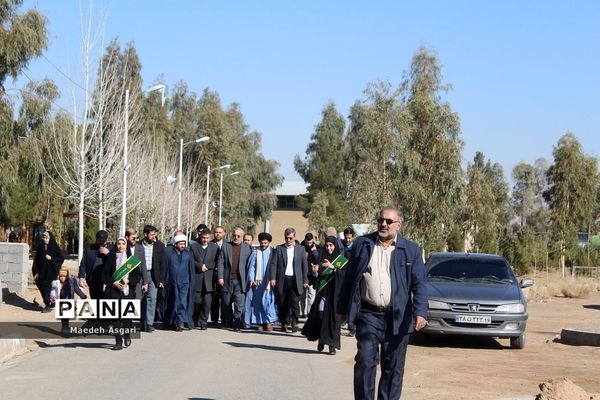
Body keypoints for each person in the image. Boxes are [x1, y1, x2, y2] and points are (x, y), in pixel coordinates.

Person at [337, 207, 428, 400]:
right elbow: (349, 279)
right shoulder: (363, 244)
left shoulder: (410, 250)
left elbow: (419, 284)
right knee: (364, 362)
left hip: (398, 317)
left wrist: (420, 312)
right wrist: (342, 308)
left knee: (393, 369)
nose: (383, 224)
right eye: (380, 220)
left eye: (388, 221)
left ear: (398, 225)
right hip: (368, 315)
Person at [302, 236, 343, 355]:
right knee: (320, 316)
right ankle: (321, 339)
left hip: (335, 295)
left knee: (333, 320)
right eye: (327, 245)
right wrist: (315, 272)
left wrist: (333, 268)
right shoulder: (321, 258)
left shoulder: (341, 260)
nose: (329, 248)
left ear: (335, 246)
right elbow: (316, 277)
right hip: (323, 293)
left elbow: (343, 277)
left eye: (331, 245)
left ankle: (332, 345)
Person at [102, 237, 143, 350]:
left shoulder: (131, 260)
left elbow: (137, 275)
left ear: (126, 246)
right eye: (118, 244)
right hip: (114, 291)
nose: (120, 246)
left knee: (127, 317)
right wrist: (113, 282)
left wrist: (129, 281)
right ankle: (118, 342)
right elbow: (104, 275)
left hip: (127, 291)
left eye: (123, 244)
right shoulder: (111, 258)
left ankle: (126, 335)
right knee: (116, 317)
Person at [269, 227, 309, 333]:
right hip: (283, 279)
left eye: (290, 238)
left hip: (296, 280)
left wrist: (305, 280)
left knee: (295, 302)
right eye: (286, 238)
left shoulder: (301, 249)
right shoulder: (279, 248)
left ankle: (294, 323)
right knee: (283, 303)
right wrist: (273, 278)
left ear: (294, 237)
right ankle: (284, 323)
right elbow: (274, 264)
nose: (288, 240)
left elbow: (305, 266)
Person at [217, 227, 253, 331]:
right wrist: (220, 277)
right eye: (234, 235)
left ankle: (237, 323)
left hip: (240, 280)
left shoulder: (247, 248)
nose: (236, 237)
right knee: (226, 303)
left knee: (239, 304)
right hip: (227, 280)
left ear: (242, 237)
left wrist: (251, 278)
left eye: (238, 236)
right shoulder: (226, 246)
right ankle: (229, 319)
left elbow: (251, 265)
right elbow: (221, 262)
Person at [163, 232, 196, 331]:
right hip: (172, 283)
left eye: (184, 244)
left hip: (184, 283)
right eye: (180, 244)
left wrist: (191, 282)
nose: (182, 246)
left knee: (182, 302)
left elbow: (191, 269)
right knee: (173, 302)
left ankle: (180, 322)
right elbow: (165, 268)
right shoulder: (169, 253)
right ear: (175, 244)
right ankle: (172, 321)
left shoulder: (188, 254)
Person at [244, 232, 277, 331]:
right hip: (258, 283)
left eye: (265, 243)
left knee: (268, 302)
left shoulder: (273, 252)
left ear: (269, 243)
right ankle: (260, 322)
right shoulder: (255, 252)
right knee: (258, 302)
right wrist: (251, 278)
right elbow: (252, 267)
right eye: (262, 243)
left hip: (268, 282)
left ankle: (269, 322)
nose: (263, 245)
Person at [189, 229, 219, 330]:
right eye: (203, 238)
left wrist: (207, 266)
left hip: (209, 280)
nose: (205, 240)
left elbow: (217, 262)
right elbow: (190, 260)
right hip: (197, 278)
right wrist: (199, 266)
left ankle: (204, 321)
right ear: (200, 236)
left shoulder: (215, 248)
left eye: (207, 238)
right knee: (196, 302)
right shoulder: (193, 246)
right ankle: (195, 319)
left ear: (210, 238)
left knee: (207, 303)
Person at [140, 225, 166, 332]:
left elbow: (162, 264)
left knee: (152, 299)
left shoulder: (159, 246)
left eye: (154, 234)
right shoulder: (138, 245)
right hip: (141, 275)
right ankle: (142, 322)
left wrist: (161, 280)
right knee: (141, 299)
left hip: (154, 276)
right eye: (151, 234)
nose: (153, 236)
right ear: (145, 234)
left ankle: (150, 323)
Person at [32, 231, 64, 312]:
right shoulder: (40, 247)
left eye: (47, 238)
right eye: (44, 238)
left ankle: (48, 305)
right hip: (42, 272)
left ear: (50, 238)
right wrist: (36, 272)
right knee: (42, 286)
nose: (45, 240)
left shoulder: (55, 247)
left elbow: (61, 259)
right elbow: (36, 261)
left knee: (49, 289)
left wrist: (51, 258)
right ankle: (51, 302)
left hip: (51, 273)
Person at [52, 266, 87, 334]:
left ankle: (83, 316)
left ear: (67, 276)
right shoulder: (57, 283)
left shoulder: (72, 281)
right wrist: (52, 298)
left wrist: (82, 296)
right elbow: (52, 292)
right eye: (61, 276)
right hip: (61, 302)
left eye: (64, 276)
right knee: (64, 316)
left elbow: (77, 289)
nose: (62, 278)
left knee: (73, 309)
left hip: (69, 300)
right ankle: (65, 327)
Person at [78, 230, 112, 300]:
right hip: (93, 281)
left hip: (107, 281)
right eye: (99, 241)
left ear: (107, 240)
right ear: (96, 239)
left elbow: (117, 262)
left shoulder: (112, 248)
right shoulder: (89, 249)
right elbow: (83, 263)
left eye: (103, 241)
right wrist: (81, 277)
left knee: (106, 303)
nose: (101, 243)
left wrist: (108, 254)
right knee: (95, 302)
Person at [299, 232, 320, 317]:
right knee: (302, 295)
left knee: (311, 294)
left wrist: (314, 252)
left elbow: (318, 260)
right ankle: (301, 313)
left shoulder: (317, 248)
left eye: (310, 242)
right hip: (302, 274)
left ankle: (310, 313)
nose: (309, 244)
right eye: (307, 243)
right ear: (304, 240)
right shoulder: (300, 247)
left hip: (312, 275)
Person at [125, 228, 149, 300]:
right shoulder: (122, 247)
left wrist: (145, 282)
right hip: (125, 280)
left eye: (137, 238)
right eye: (133, 238)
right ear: (127, 237)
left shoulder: (140, 248)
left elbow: (143, 265)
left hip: (137, 281)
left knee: (137, 301)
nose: (136, 240)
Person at [210, 225, 226, 326]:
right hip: (212, 274)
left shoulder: (228, 245)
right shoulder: (210, 244)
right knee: (214, 298)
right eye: (216, 232)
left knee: (225, 298)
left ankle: (224, 319)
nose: (218, 234)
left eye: (220, 232)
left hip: (224, 275)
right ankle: (214, 319)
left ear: (223, 233)